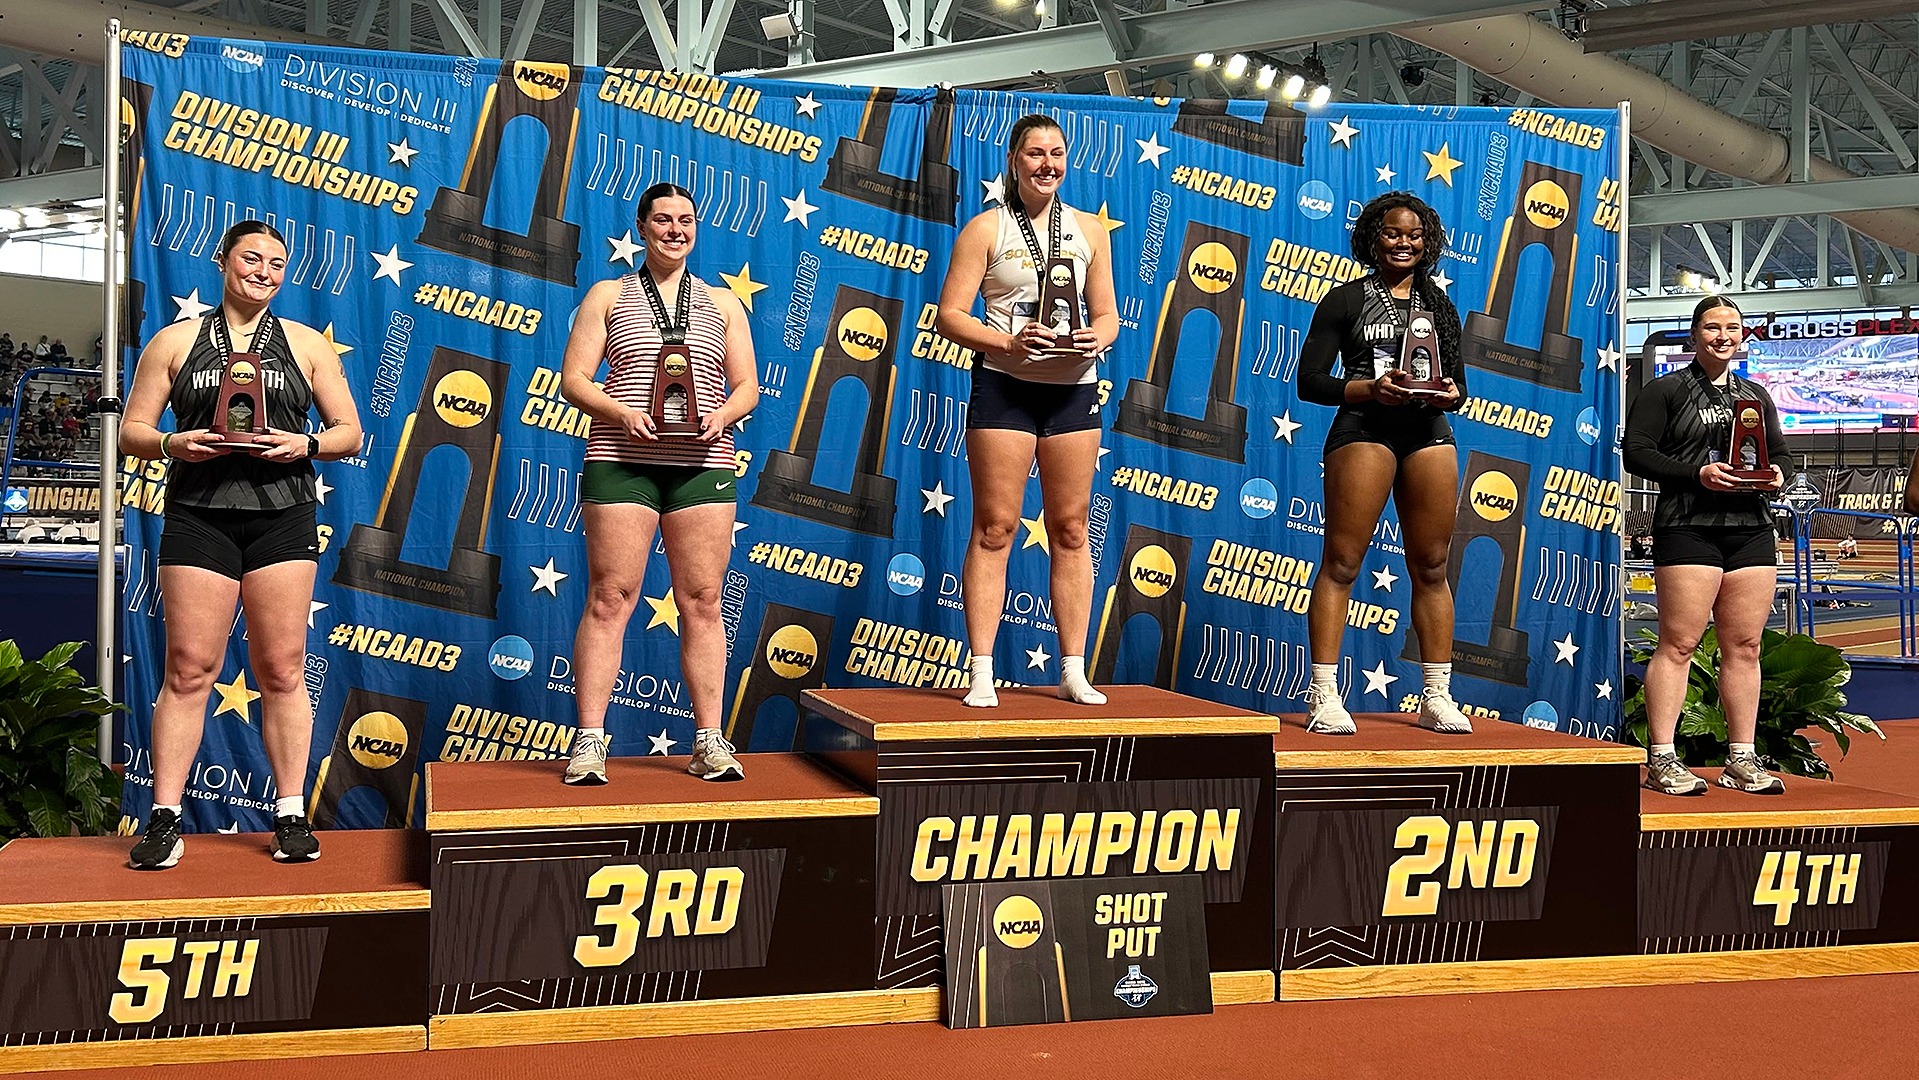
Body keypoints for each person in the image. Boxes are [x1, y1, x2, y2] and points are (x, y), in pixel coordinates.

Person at [119, 220, 363, 868]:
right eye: (252, 257)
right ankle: (164, 818)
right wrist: (174, 443)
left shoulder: (308, 346)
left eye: (277, 263)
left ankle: (288, 813)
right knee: (188, 669)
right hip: (199, 516)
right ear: (222, 258)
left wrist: (303, 444)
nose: (264, 270)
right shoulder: (174, 342)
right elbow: (133, 430)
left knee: (282, 670)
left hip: (282, 517)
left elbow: (349, 432)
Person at [559, 182, 759, 785]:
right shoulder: (609, 294)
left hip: (704, 463)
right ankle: (590, 743)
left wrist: (723, 416)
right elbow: (574, 381)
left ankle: (708, 742)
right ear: (643, 227)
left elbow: (747, 387)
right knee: (609, 597)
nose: (676, 230)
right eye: (664, 220)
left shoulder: (724, 305)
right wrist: (621, 412)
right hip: (622, 459)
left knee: (702, 601)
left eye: (687, 220)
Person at [935, 113, 1119, 709]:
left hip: (1073, 389)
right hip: (1005, 387)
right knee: (996, 528)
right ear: (1014, 160)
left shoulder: (1091, 229)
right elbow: (950, 317)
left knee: (1071, 528)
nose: (1048, 164)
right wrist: (1009, 343)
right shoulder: (984, 229)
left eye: (1058, 153)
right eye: (1035, 153)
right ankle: (983, 670)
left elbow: (1109, 314)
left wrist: (1100, 337)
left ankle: (1073, 670)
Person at [1296, 192, 1470, 735]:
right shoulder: (1344, 300)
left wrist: (1448, 396)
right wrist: (1368, 388)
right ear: (1373, 238)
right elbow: (1310, 381)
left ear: (1428, 242)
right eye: (1393, 233)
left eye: (1414, 235)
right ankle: (1323, 695)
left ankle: (1436, 696)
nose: (1404, 243)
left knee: (1433, 566)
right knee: (1342, 563)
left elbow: (1460, 386)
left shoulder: (1440, 306)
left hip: (1428, 434)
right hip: (1364, 429)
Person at [1624, 294, 1789, 795]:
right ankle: (1662, 760)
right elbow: (1637, 453)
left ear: (1743, 335)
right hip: (1689, 525)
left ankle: (1741, 760)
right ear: (1694, 335)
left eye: (1733, 327)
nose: (1724, 336)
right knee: (1680, 644)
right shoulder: (1665, 390)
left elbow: (1779, 453)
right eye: (1712, 327)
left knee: (1746, 645)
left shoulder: (1756, 395)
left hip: (1751, 528)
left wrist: (1780, 473)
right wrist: (1697, 474)